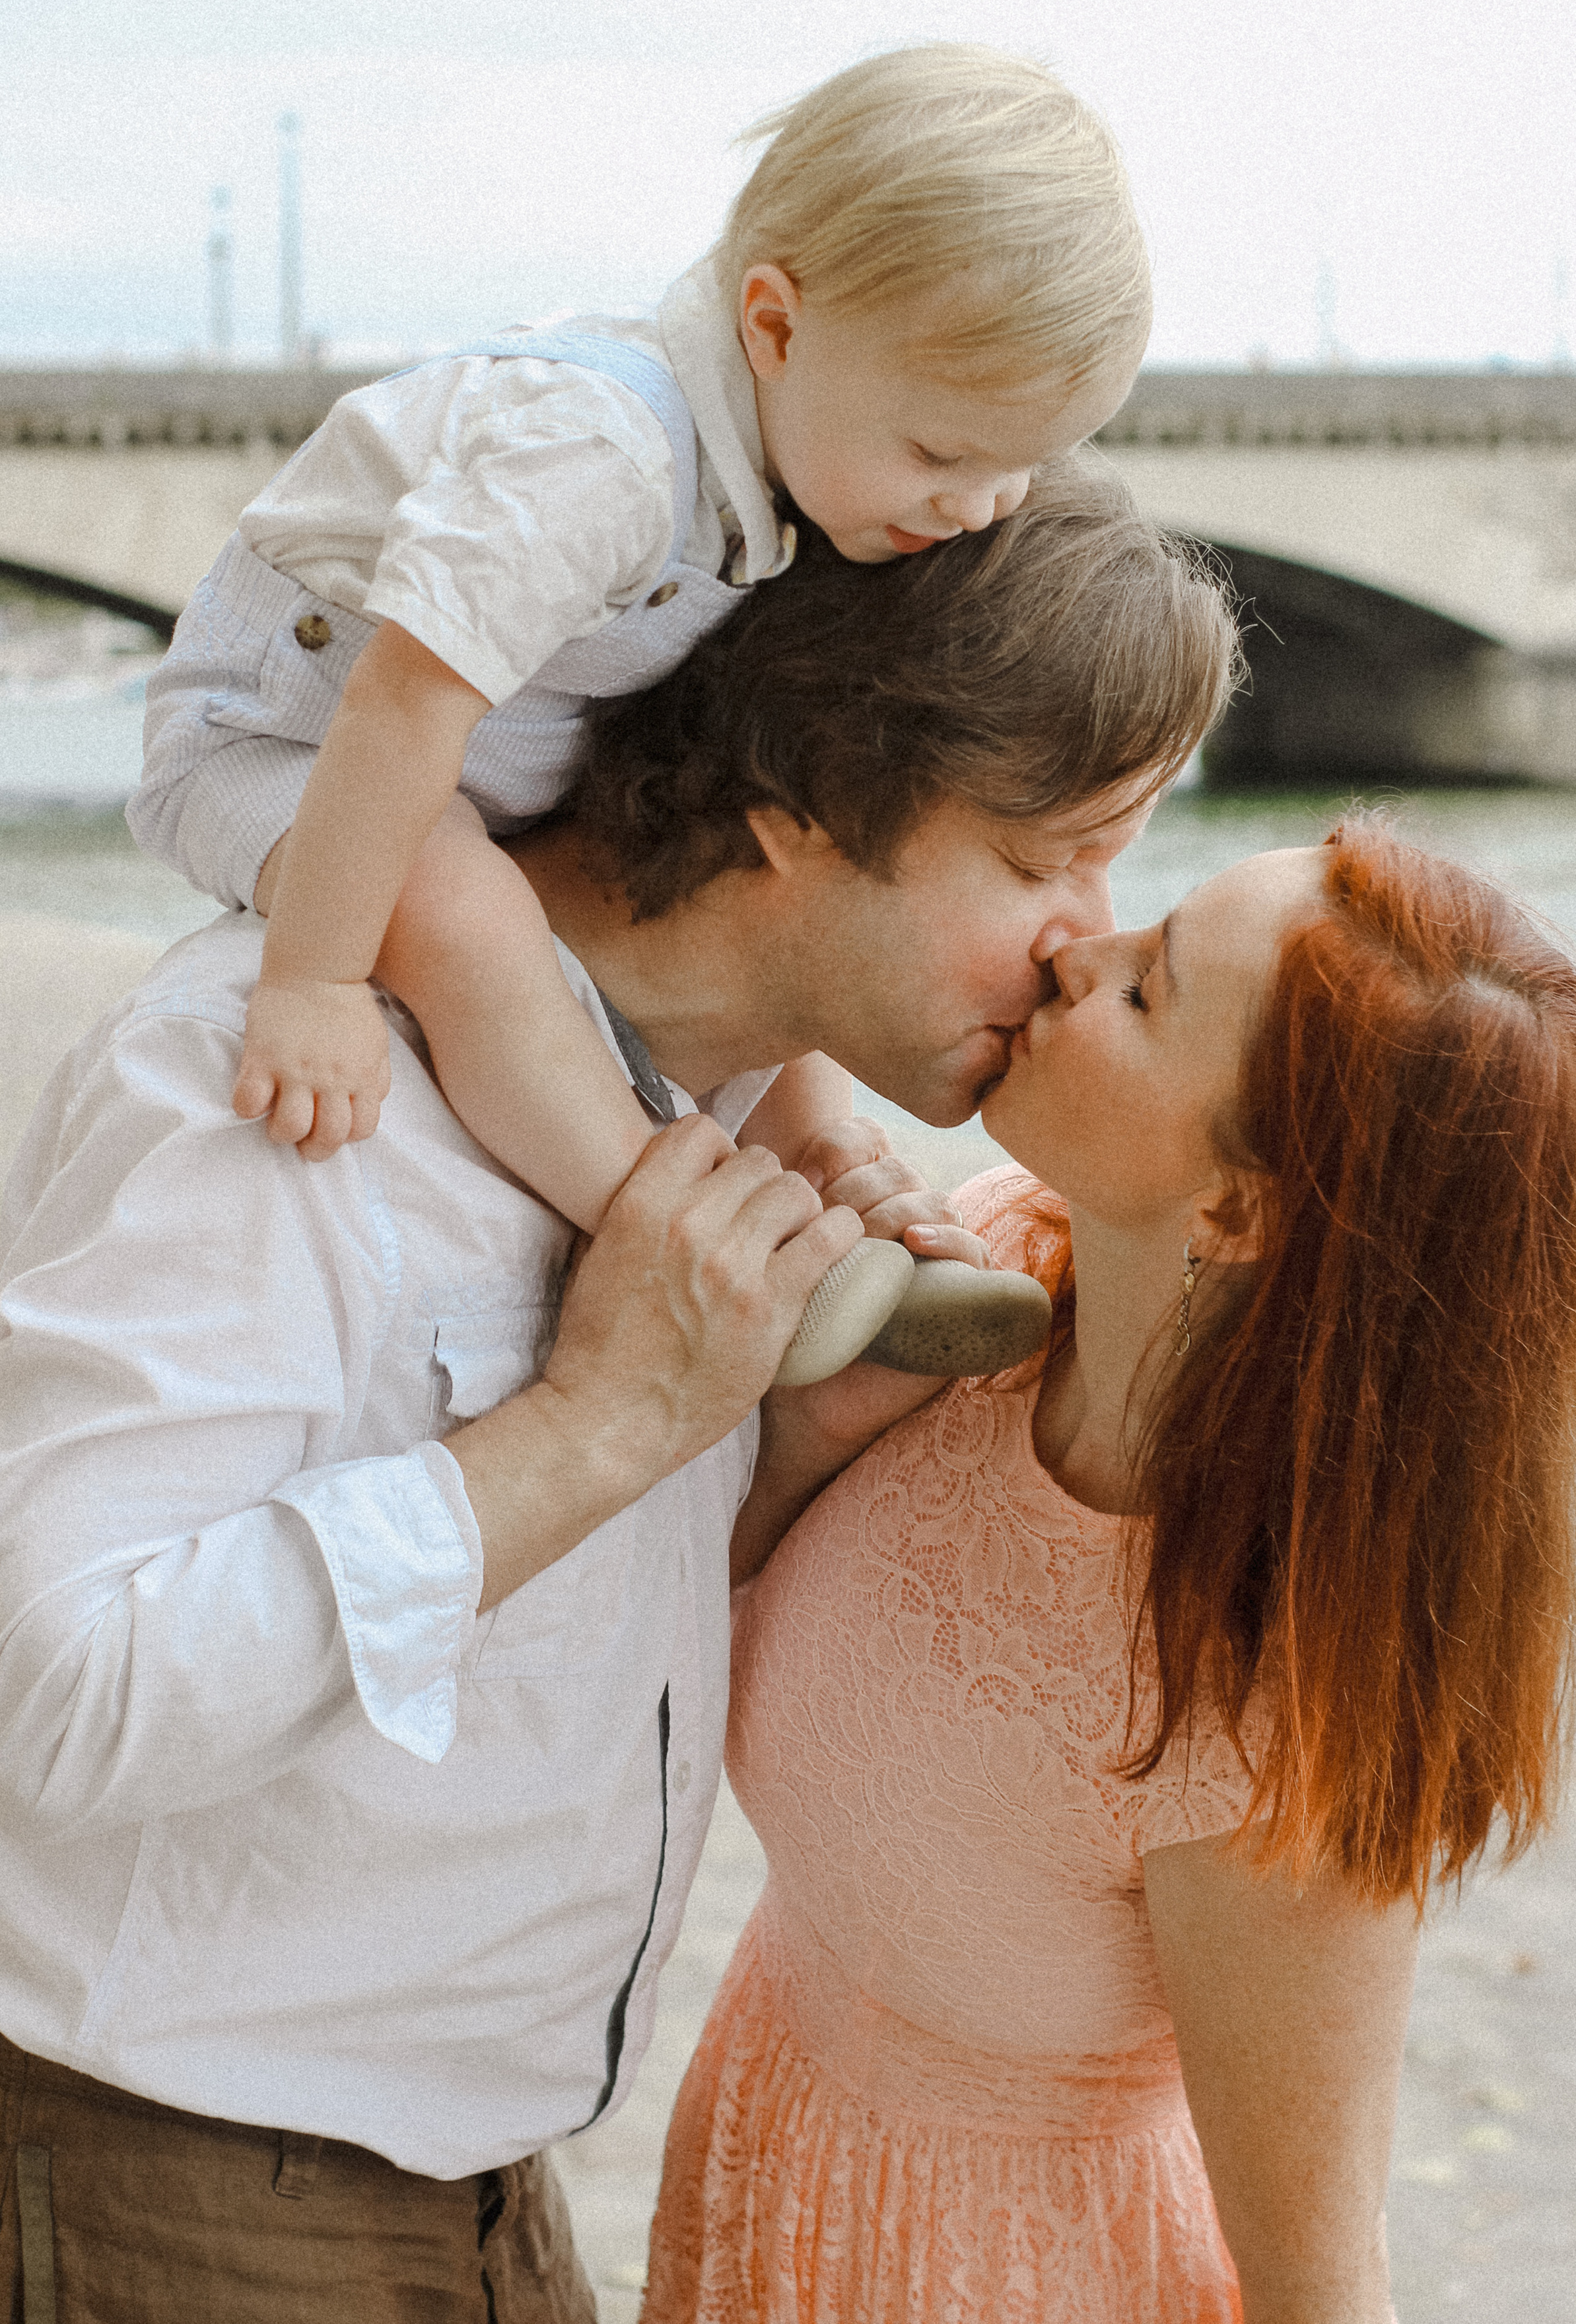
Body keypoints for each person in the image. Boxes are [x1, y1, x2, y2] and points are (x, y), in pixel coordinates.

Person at [0, 464, 1237, 2321]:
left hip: (488, 2203)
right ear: (805, 811)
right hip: (176, 2189)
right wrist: (599, 1425)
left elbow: (501, 1643)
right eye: (1050, 854)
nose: (1085, 933)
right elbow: (54, 1700)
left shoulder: (715, 1124)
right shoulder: (269, 1095)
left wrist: (756, 1450)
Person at [644, 817, 1576, 2324]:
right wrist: (794, 1439)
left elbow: (1317, 2286)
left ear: (1235, 1210)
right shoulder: (985, 1276)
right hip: (768, 2155)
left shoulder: (1257, 1718)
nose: (1067, 947)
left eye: (1147, 987)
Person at [126, 44, 1150, 1387]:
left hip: (474, 754)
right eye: (945, 456)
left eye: (1017, 468)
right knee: (453, 903)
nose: (974, 505)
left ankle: (827, 1169)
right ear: (774, 326)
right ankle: (675, 1225)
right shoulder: (599, 454)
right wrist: (313, 979)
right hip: (284, 741)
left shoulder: (787, 456)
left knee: (765, 932)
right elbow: (400, 700)